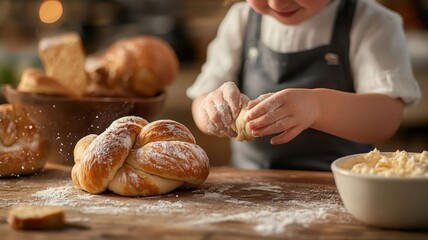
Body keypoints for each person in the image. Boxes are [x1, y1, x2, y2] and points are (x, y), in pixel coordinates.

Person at [186, 0, 422, 171]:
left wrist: (316, 107)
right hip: (251, 184)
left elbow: (385, 118)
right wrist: (210, 110)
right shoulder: (241, 20)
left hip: (339, 187)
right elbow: (202, 97)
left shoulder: (371, 22)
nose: (277, 3)